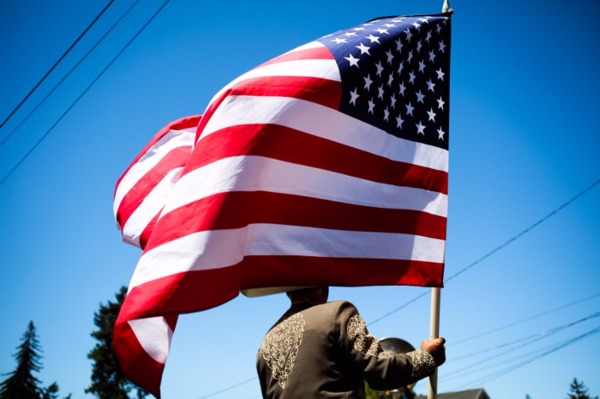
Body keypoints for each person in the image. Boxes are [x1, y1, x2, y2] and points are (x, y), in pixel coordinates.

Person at [256, 286, 446, 398]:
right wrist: (427, 357)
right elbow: (380, 372)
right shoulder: (338, 312)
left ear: (287, 292)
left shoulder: (266, 342)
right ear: (324, 286)